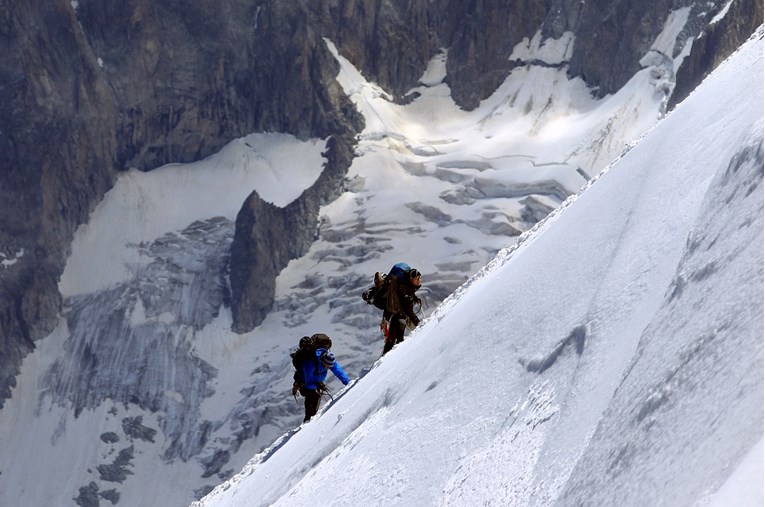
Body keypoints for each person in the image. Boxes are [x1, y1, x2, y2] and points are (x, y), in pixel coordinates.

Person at [291, 333, 350, 422]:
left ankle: (311, 418)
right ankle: (308, 419)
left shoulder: (328, 359)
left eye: (329, 366)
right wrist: (318, 385)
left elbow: (339, 372)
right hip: (303, 380)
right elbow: (309, 382)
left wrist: (349, 384)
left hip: (316, 380)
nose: (327, 368)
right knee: (311, 395)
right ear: (322, 361)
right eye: (326, 366)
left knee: (316, 396)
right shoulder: (310, 364)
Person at [379, 263, 422, 355]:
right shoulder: (405, 291)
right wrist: (419, 324)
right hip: (397, 316)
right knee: (393, 339)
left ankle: (387, 358)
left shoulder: (407, 288)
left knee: (396, 339)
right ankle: (386, 359)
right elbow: (408, 310)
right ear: (411, 280)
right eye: (417, 279)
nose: (419, 281)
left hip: (397, 316)